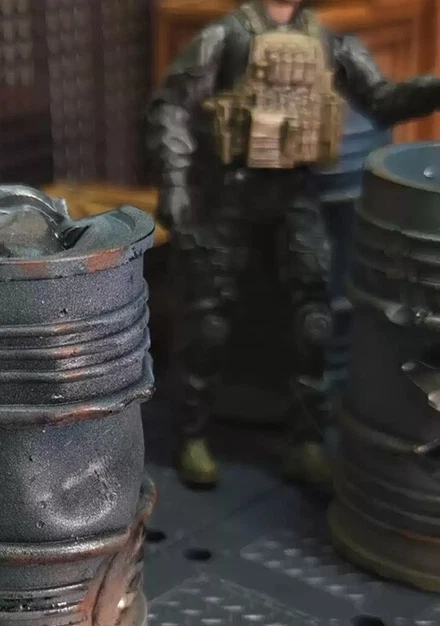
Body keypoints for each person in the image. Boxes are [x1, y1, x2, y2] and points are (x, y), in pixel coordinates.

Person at [147, 0, 440, 490]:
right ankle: (192, 435)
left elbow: (383, 100)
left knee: (314, 322)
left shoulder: (329, 42)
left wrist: (431, 88)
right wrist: (174, 182)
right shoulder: (225, 37)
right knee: (208, 321)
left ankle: (306, 441)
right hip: (228, 194)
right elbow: (172, 106)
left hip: (296, 192)